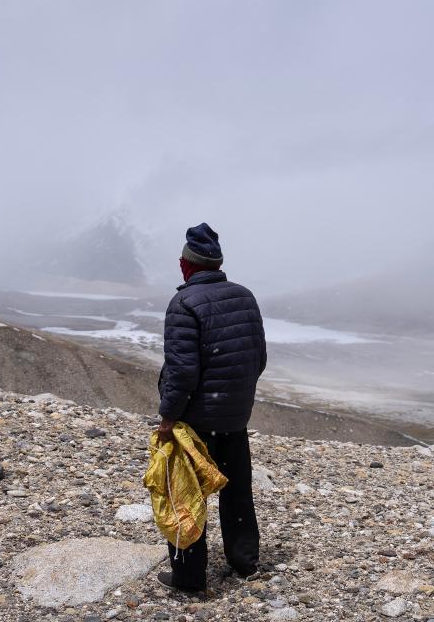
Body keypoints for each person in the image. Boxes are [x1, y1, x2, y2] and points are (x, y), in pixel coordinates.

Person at [155, 222, 267, 593]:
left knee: (184, 495)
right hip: (235, 416)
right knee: (237, 492)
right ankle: (244, 562)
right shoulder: (245, 296)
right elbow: (258, 358)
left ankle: (188, 579)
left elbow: (182, 370)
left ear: (186, 265)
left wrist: (169, 416)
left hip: (197, 421)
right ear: (217, 264)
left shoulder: (184, 303)